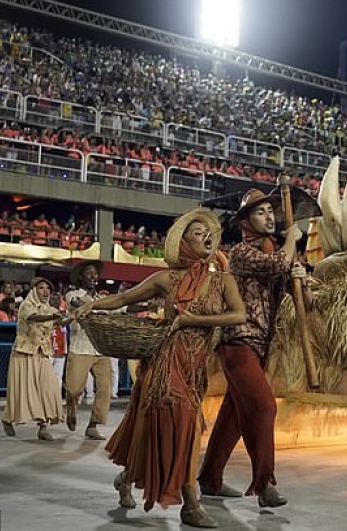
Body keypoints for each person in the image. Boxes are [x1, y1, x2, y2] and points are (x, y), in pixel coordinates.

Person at [74, 208, 245, 528]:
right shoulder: (167, 279)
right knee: (183, 429)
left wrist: (195, 320)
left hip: (196, 369)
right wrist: (93, 304)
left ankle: (126, 478)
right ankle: (190, 504)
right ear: (182, 242)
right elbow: (124, 298)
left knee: (171, 434)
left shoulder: (223, 280)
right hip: (166, 364)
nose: (206, 237)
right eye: (197, 233)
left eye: (208, 233)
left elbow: (239, 316)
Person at [198, 188, 306, 508]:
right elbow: (275, 265)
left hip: (260, 346)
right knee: (264, 408)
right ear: (245, 222)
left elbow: (304, 301)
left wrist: (300, 278)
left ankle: (210, 479)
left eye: (271, 211)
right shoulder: (242, 253)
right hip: (238, 342)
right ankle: (265, 483)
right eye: (261, 212)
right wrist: (292, 242)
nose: (270, 216)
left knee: (233, 415)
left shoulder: (275, 252)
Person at [1, 277, 70, 440]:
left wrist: (76, 317)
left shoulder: (50, 309)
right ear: (33, 290)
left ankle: (43, 426)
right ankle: (7, 418)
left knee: (48, 388)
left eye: (48, 288)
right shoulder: (26, 305)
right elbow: (33, 318)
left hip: (42, 353)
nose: (45, 291)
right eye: (41, 288)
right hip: (24, 353)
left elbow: (60, 321)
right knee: (22, 391)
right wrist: (53, 317)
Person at [65, 260, 112, 440]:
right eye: (89, 273)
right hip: (81, 348)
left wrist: (147, 306)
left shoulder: (102, 298)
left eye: (95, 273)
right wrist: (93, 308)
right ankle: (71, 406)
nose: (94, 276)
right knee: (74, 389)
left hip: (100, 350)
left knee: (104, 388)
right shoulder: (73, 294)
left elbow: (121, 306)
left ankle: (93, 425)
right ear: (81, 277)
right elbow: (77, 304)